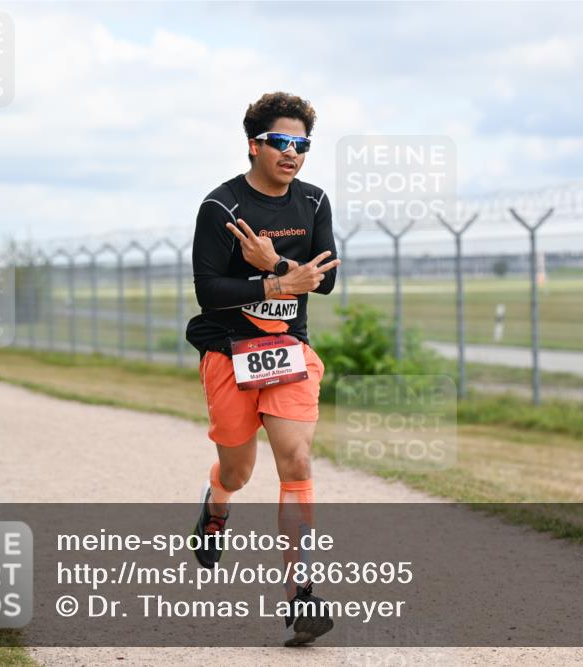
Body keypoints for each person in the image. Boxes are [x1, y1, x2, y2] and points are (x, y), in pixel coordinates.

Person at [186, 92, 340, 646]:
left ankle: (301, 594)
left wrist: (273, 264)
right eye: (282, 142)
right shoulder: (220, 208)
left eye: (302, 144)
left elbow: (326, 278)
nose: (293, 153)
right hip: (229, 351)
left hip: (289, 351)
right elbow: (209, 291)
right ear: (254, 145)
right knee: (238, 470)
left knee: (295, 460)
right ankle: (216, 505)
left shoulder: (315, 202)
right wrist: (275, 284)